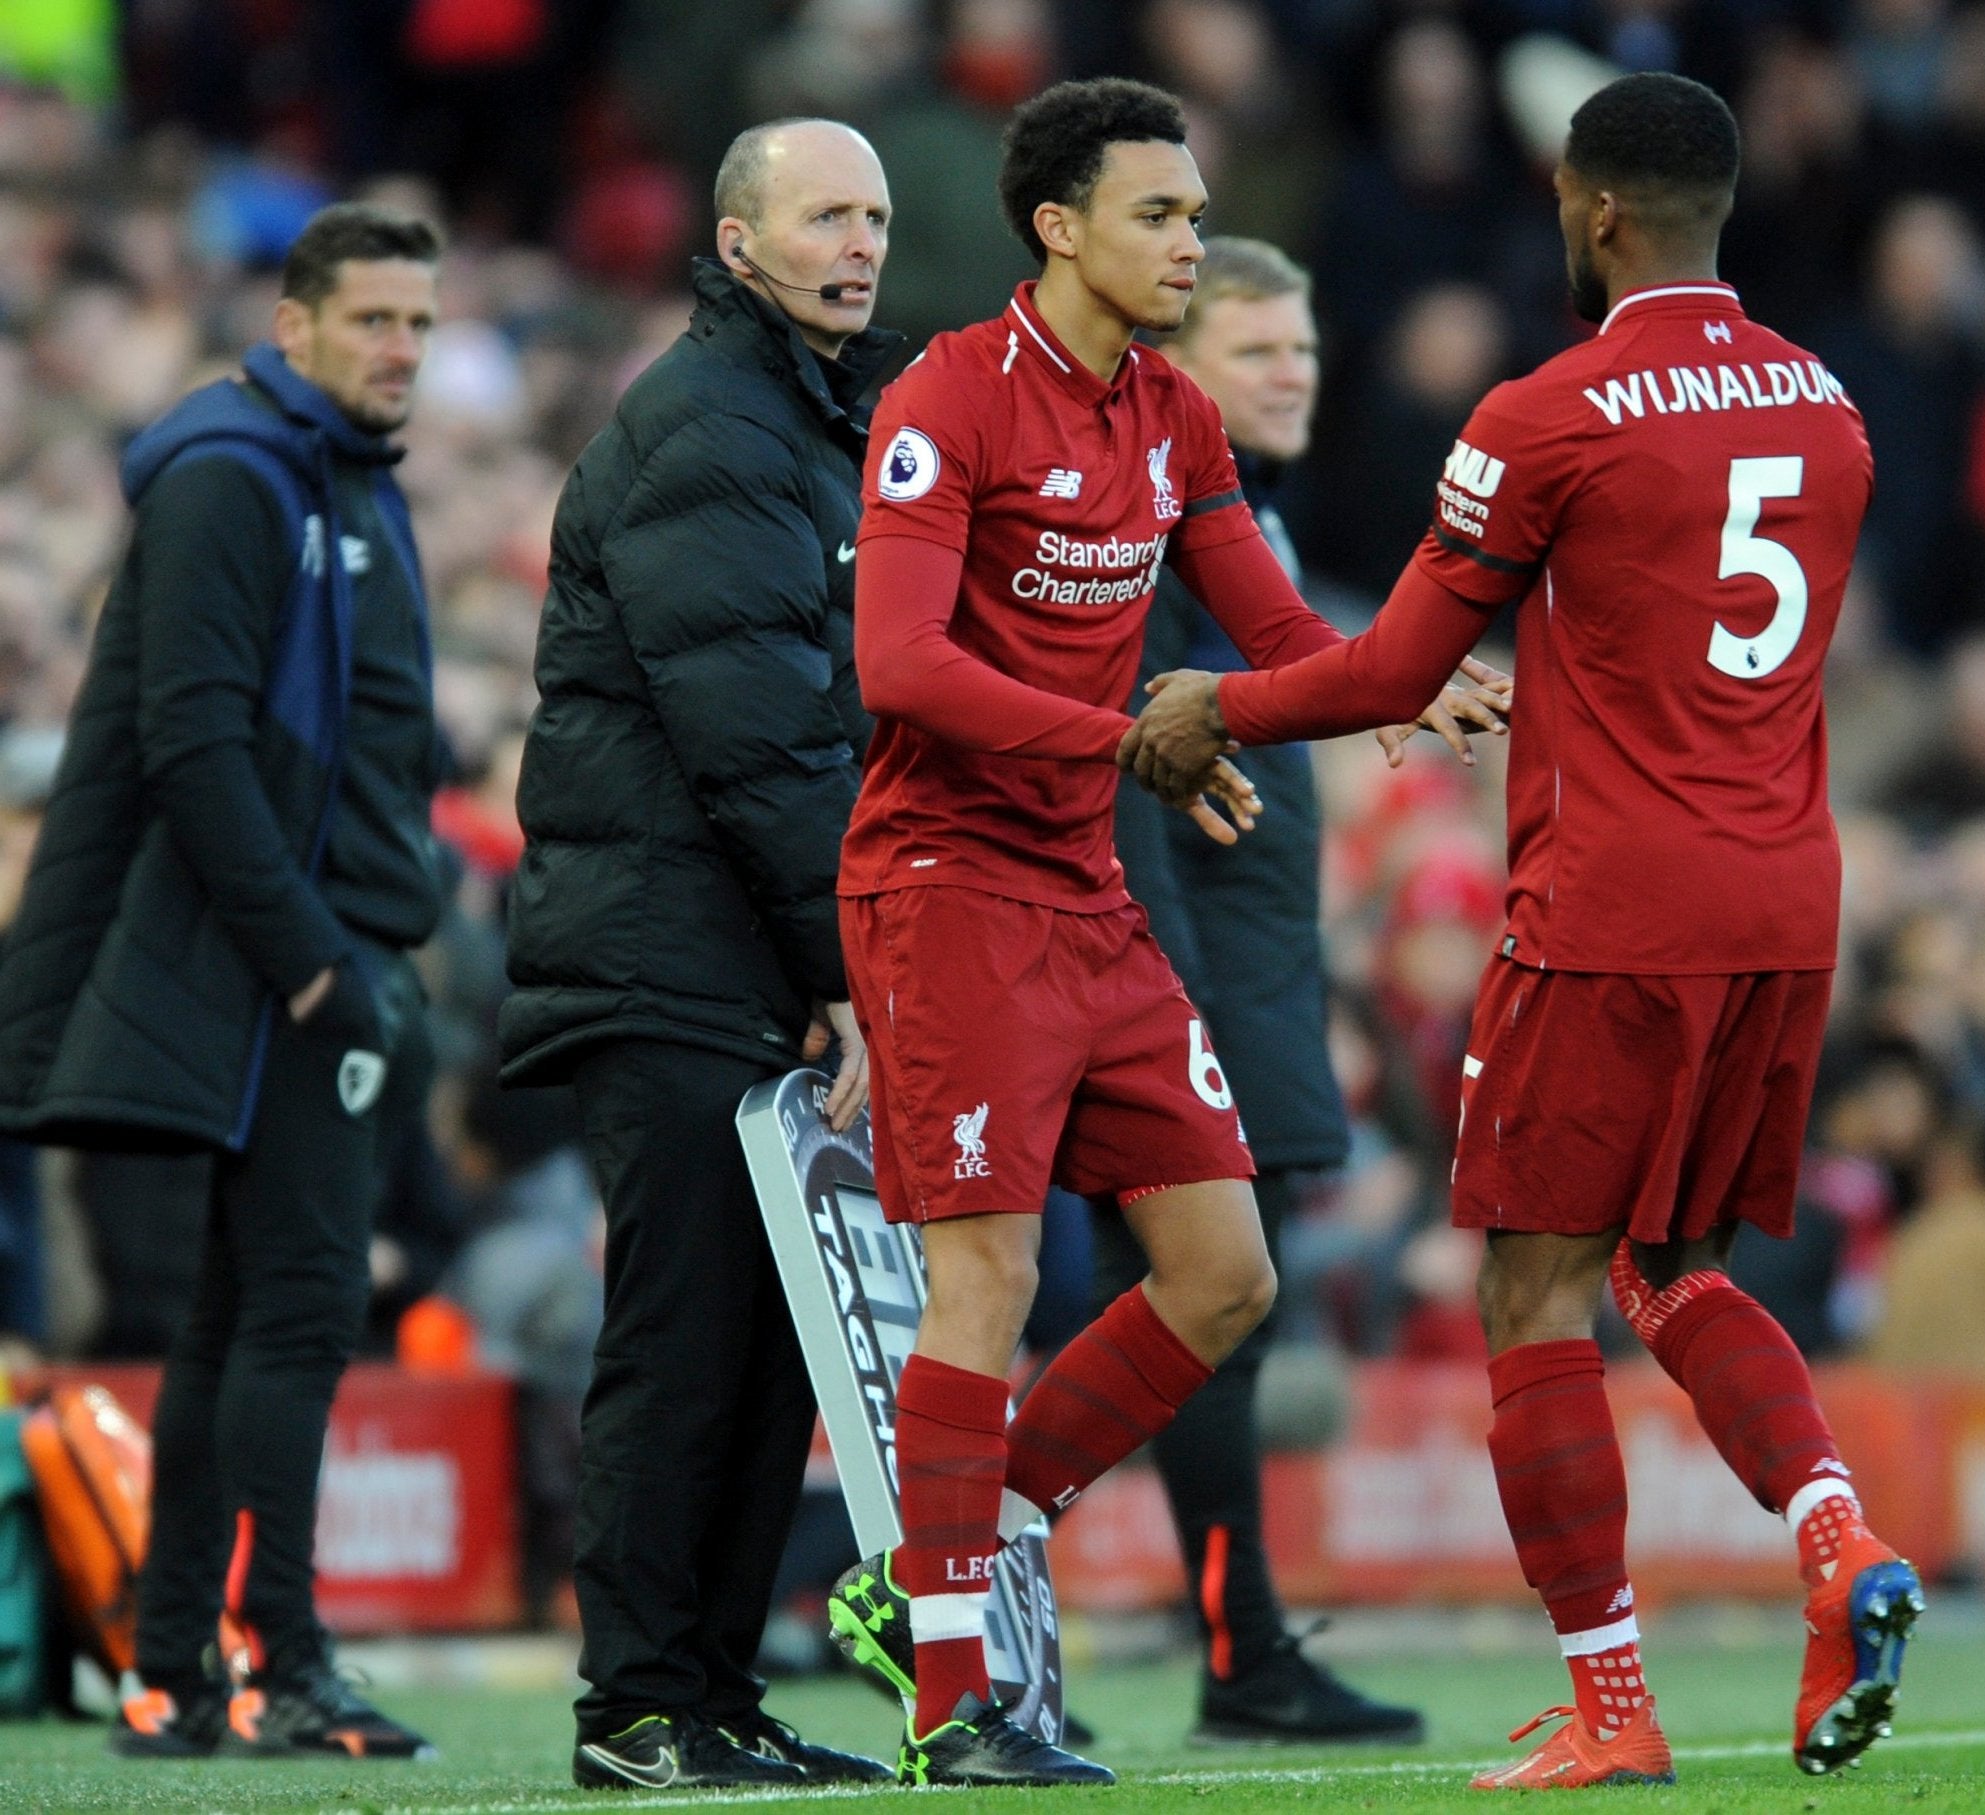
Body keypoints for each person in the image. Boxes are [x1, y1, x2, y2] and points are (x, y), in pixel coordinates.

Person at [1125, 73, 1922, 1787]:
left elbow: (1399, 668)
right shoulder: (1834, 406)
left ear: (1599, 209)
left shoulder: (1548, 411)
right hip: (1787, 897)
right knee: (1672, 1261)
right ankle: (1840, 1534)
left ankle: (1612, 1705)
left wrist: (1214, 706)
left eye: (1565, 197)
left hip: (1616, 903)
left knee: (1531, 1287)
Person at [825, 77, 1498, 1788]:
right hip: (950, 888)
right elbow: (900, 668)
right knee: (980, 1282)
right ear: (1059, 227)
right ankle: (953, 1696)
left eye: (1199, 214)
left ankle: (952, 1561)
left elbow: (1270, 633)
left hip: (1090, 899)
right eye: (1162, 215)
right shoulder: (946, 400)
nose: (1192, 240)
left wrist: (1406, 675)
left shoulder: (1173, 420)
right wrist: (1129, 738)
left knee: (1226, 1276)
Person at [0, 204, 448, 1761]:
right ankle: (276, 1660)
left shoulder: (333, 475)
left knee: (239, 1316)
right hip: (282, 966)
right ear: (297, 322)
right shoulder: (233, 480)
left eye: (419, 322)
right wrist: (314, 959)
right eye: (374, 318)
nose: (400, 346)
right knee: (298, 1315)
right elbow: (190, 741)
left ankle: (181, 1668)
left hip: (325, 949)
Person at [498, 118, 896, 1793]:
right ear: (737, 243)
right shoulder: (709, 428)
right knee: (680, 1339)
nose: (861, 242)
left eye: (875, 214)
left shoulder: (811, 424)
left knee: (764, 1342)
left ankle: (714, 1697)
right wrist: (850, 964)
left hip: (737, 950)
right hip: (672, 948)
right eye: (824, 215)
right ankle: (639, 1709)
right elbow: (757, 739)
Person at [1090, 235, 1421, 1746]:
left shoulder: (1251, 528)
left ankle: (1239, 1641)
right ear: (1180, 372)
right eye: (1259, 350)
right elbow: (1130, 780)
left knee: (1217, 1324)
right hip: (1195, 984)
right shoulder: (1157, 532)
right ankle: (1231, 1650)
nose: (1295, 372)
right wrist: (1178, 1009)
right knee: (1190, 1318)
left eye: (1303, 349)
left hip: (1263, 976)